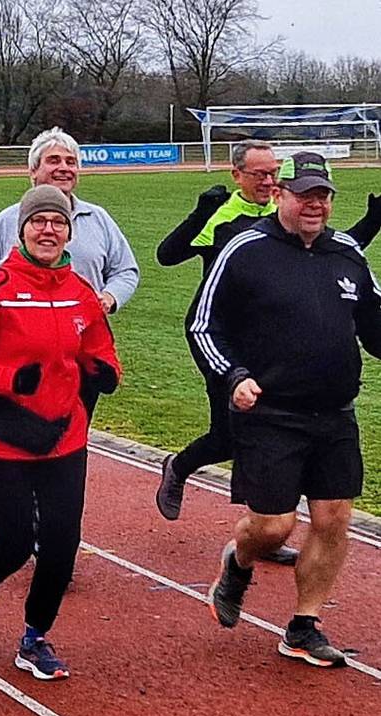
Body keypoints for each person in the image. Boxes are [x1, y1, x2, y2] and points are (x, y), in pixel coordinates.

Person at [193, 153, 381, 668]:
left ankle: (304, 625)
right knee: (274, 527)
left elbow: (374, 324)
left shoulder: (347, 253)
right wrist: (233, 376)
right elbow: (203, 325)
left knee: (333, 517)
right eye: (305, 194)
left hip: (335, 414)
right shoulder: (245, 250)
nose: (316, 204)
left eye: (323, 195)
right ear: (281, 195)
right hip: (270, 413)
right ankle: (239, 559)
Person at [155, 141, 381, 546]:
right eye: (258, 174)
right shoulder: (226, 219)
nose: (266, 180)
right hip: (231, 349)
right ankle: (183, 470)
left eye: (272, 172)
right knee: (229, 437)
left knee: (255, 449)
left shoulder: (292, 216)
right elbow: (168, 256)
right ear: (236, 176)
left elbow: (328, 261)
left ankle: (267, 531)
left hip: (283, 351)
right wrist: (199, 214)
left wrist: (371, 222)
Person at [0, 185, 121, 680]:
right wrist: (8, 381)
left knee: (63, 544)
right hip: (2, 436)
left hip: (65, 434)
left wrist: (106, 371)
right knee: (15, 539)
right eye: (39, 222)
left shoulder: (80, 292)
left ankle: (34, 638)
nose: (49, 230)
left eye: (58, 223)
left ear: (69, 232)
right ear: (23, 229)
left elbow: (100, 349)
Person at [0, 127, 136, 421]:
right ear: (33, 171)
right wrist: (1, 318)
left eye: (71, 161)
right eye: (54, 160)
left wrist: (108, 298)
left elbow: (126, 270)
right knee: (21, 439)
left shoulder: (98, 219)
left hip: (80, 353)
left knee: (73, 438)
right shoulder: (8, 221)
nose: (64, 168)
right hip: (22, 358)